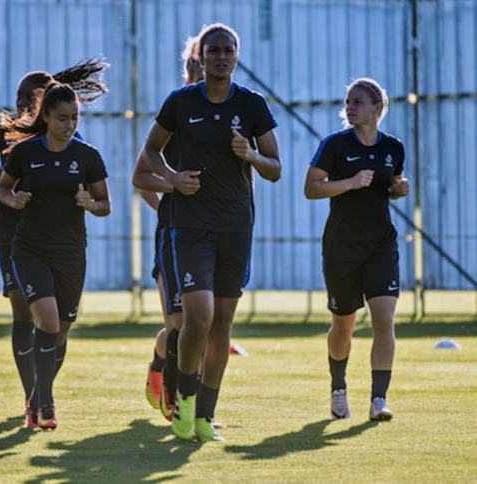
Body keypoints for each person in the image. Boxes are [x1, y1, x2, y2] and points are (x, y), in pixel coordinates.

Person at [143, 22, 282, 442]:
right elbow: (149, 151)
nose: (221, 56)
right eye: (213, 50)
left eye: (228, 50)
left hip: (236, 226)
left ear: (237, 56)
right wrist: (172, 177)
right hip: (190, 226)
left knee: (222, 324)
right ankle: (184, 402)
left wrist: (251, 154)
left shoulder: (253, 105)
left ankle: (205, 416)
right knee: (197, 316)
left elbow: (276, 169)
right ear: (201, 58)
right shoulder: (181, 103)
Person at [0, 59, 108, 427]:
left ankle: (37, 395)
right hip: (22, 241)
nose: (69, 124)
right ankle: (39, 399)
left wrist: (90, 204)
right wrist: (1, 191)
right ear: (47, 115)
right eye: (19, 97)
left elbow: (104, 202)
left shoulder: (82, 151)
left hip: (67, 246)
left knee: (58, 327)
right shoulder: (10, 141)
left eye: (74, 118)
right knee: (34, 317)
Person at [304, 77, 409, 422]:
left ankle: (379, 399)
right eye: (348, 101)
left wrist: (398, 189)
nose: (350, 107)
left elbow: (387, 187)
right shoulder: (334, 145)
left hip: (381, 244)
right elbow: (311, 188)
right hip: (341, 247)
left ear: (378, 108)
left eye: (358, 102)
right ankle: (338, 390)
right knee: (344, 325)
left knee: (384, 320)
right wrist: (349, 182)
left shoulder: (393, 148)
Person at [132, 36, 202, 422]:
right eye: (197, 69)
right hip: (175, 235)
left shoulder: (228, 116)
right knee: (179, 327)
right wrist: (172, 194)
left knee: (200, 325)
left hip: (215, 232)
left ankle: (172, 378)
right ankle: (177, 402)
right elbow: (140, 178)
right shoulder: (173, 117)